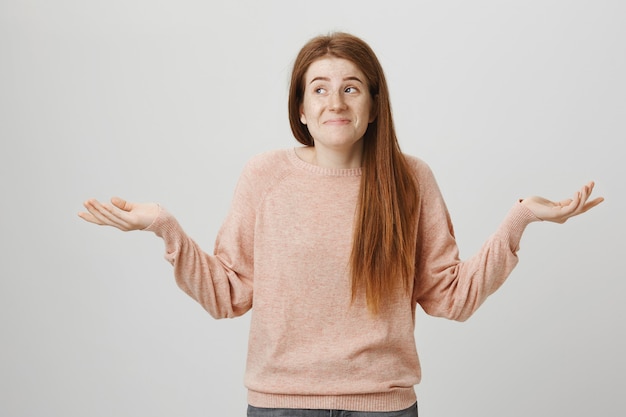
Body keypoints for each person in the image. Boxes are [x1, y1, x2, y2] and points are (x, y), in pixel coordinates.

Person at [78, 32, 603, 417]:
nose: (336, 101)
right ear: (301, 109)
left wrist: (522, 218)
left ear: (374, 106)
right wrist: (165, 227)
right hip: (280, 406)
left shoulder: (410, 180)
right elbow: (228, 295)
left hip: (385, 408)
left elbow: (450, 298)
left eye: (352, 88)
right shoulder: (264, 176)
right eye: (320, 89)